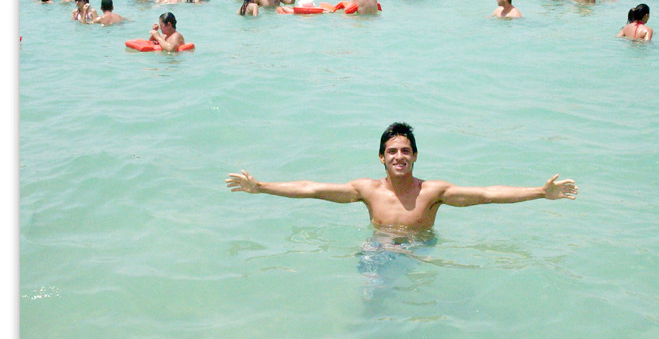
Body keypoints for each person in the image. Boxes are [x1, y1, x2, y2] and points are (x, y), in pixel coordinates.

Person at [225, 122, 577, 232]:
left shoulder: (433, 192)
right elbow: (312, 189)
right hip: (377, 251)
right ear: (381, 157)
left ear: (415, 156)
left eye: (405, 151)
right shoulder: (366, 190)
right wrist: (261, 188)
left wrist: (540, 193)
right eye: (392, 151)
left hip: (420, 252)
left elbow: (486, 194)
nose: (399, 156)